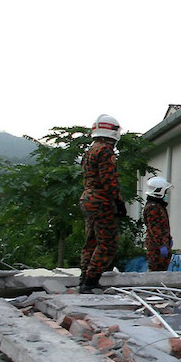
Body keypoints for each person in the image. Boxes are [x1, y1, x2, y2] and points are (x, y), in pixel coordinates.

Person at [79, 114, 125, 293]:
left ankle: (84, 279)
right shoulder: (105, 151)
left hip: (88, 199)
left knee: (91, 242)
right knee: (107, 242)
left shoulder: (90, 151)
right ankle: (91, 281)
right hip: (101, 200)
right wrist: (118, 201)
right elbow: (109, 181)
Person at [143, 176, 173, 271]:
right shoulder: (153, 207)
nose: (166, 194)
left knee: (162, 271)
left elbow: (164, 227)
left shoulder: (159, 206)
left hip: (161, 245)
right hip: (156, 248)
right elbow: (155, 230)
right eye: (165, 191)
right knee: (155, 272)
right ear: (158, 191)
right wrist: (162, 245)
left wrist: (169, 239)